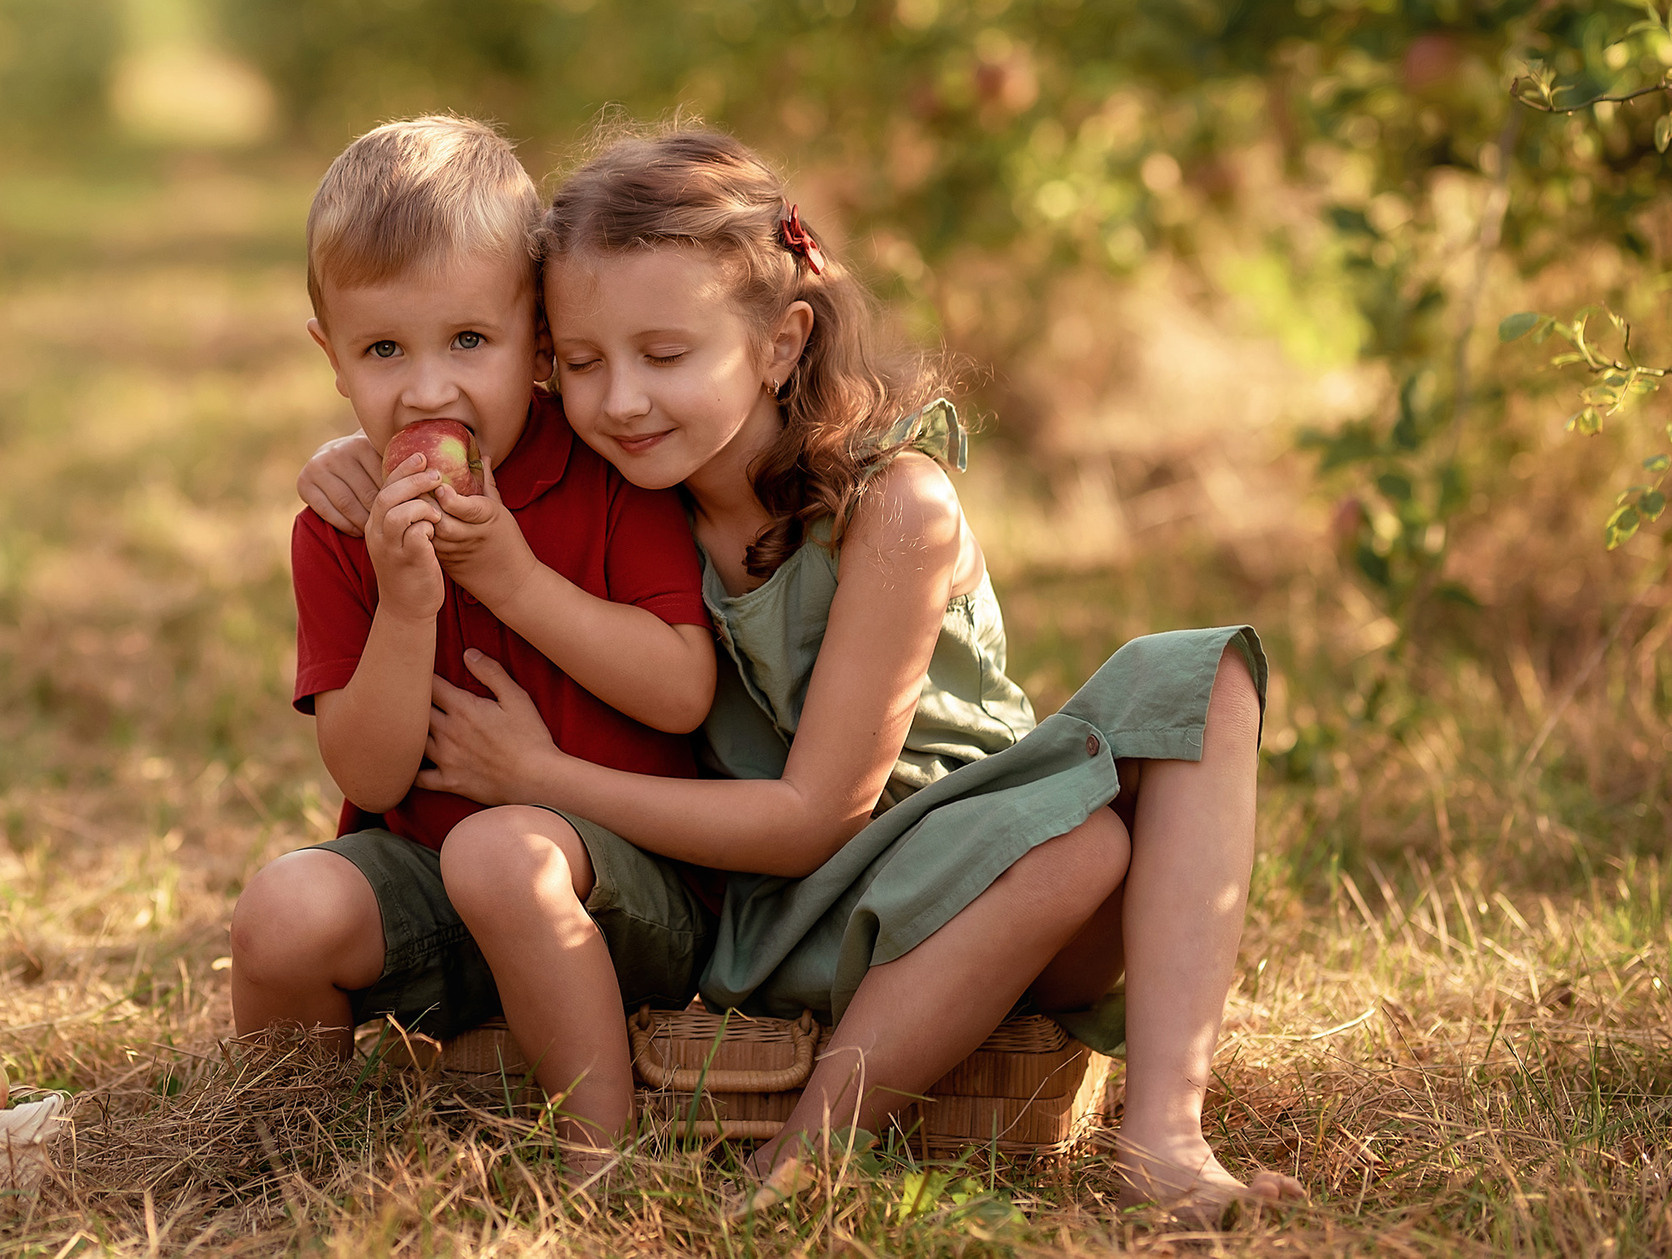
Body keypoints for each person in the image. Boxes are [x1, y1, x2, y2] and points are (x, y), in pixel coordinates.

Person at [297, 127, 1306, 1225]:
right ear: (547, 356)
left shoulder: (891, 507)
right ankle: (802, 1163)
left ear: (780, 344)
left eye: (666, 355)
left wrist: (540, 775)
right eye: (583, 363)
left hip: (948, 864)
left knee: (1192, 685)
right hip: (774, 921)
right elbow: (450, 403)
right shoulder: (626, 479)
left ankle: (1162, 1133)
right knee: (1082, 844)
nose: (622, 400)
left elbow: (819, 814)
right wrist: (348, 458)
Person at [228, 114, 725, 1160]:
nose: (425, 388)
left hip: (629, 897)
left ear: (537, 339)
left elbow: (681, 692)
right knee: (282, 909)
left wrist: (506, 574)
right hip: (429, 887)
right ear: (332, 360)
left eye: (468, 341)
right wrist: (407, 605)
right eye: (381, 350)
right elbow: (363, 765)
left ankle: (601, 1167)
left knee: (501, 853)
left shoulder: (606, 468)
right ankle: (293, 1159)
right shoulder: (339, 525)